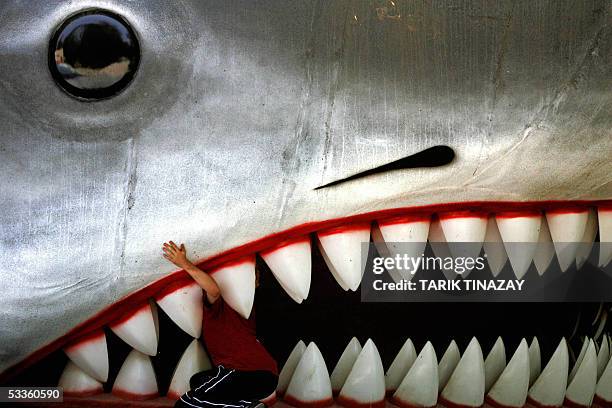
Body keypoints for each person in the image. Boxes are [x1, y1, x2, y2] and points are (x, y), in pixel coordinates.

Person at [162, 241, 278, 408]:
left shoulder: (224, 306)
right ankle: (244, 405)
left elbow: (214, 290)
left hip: (246, 372)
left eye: (255, 276)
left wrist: (184, 264)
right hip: (265, 377)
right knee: (198, 380)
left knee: (186, 404)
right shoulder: (243, 310)